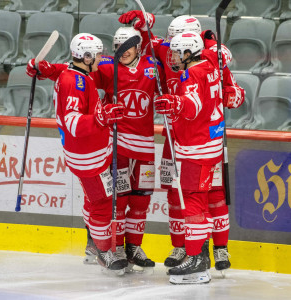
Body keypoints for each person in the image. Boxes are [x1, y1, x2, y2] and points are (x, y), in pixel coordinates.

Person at [26, 27, 167, 272]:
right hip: (117, 145)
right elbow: (72, 71)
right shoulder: (106, 68)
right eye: (116, 46)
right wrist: (49, 69)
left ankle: (133, 246)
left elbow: (172, 61)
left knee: (141, 200)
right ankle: (112, 247)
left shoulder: (150, 65)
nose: (118, 52)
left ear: (137, 47)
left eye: (126, 46)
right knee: (115, 200)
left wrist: (146, 30)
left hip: (143, 147)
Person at [119, 12, 245, 272]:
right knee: (176, 193)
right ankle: (183, 247)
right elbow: (148, 45)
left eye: (176, 41)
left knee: (213, 194)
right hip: (176, 135)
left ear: (193, 41)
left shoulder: (211, 57)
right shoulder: (178, 51)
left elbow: (234, 94)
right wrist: (143, 25)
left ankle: (218, 247)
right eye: (170, 39)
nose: (170, 48)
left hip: (204, 137)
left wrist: (229, 93)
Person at [26, 33, 127, 275]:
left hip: (89, 152)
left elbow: (64, 71)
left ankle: (94, 243)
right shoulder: (75, 82)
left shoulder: (74, 73)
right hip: (87, 155)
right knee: (102, 202)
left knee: (93, 199)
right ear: (87, 56)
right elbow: (72, 122)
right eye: (98, 54)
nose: (101, 58)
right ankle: (104, 251)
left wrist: (47, 69)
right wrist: (101, 118)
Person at [154, 31, 224, 284]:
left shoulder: (192, 73)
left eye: (176, 52)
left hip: (196, 146)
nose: (172, 57)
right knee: (200, 203)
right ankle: (199, 255)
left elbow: (192, 107)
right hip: (210, 144)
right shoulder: (209, 63)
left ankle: (196, 260)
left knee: (193, 203)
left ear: (188, 53)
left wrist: (175, 103)